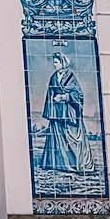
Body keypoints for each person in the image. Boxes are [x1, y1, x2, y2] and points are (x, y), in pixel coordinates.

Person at [38, 47, 86, 175]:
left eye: (56, 62)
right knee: (56, 138)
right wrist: (51, 110)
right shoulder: (53, 77)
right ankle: (56, 164)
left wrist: (65, 97)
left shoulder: (71, 76)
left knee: (69, 138)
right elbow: (50, 94)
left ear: (63, 62)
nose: (54, 65)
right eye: (54, 62)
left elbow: (79, 94)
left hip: (69, 112)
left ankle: (72, 164)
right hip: (56, 113)